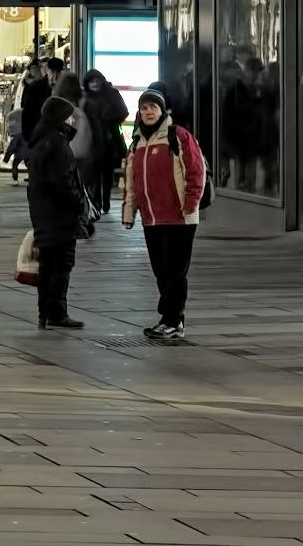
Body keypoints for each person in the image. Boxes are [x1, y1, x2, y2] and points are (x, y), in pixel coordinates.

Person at [120, 88, 208, 343]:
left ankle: (173, 321)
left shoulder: (177, 136)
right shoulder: (136, 143)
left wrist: (191, 204)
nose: (149, 112)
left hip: (180, 218)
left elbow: (196, 170)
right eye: (144, 108)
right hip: (152, 219)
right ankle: (169, 320)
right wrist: (129, 213)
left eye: (153, 108)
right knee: (161, 271)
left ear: (162, 111)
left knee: (175, 272)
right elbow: (130, 182)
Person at [25, 95, 87, 329]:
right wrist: (79, 202)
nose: (72, 120)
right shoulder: (58, 144)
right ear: (60, 118)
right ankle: (57, 312)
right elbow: (63, 183)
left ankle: (45, 312)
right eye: (69, 116)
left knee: (48, 265)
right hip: (59, 216)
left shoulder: (42, 142)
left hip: (44, 214)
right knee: (61, 265)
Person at [79, 70, 130, 217]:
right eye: (91, 81)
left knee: (107, 173)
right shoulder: (85, 98)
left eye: (97, 81)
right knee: (94, 173)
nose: (94, 84)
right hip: (92, 140)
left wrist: (110, 119)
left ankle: (105, 200)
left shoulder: (111, 94)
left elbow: (123, 112)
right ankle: (96, 202)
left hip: (108, 139)